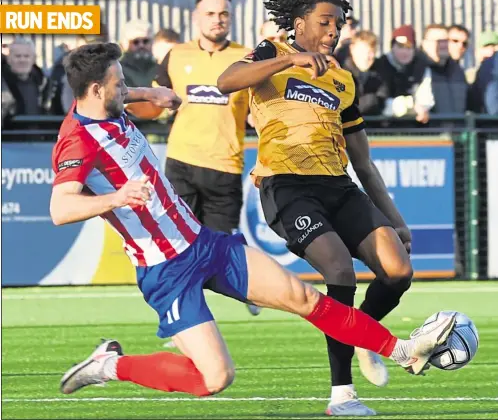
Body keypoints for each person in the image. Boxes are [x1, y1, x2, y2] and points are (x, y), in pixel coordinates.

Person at [53, 42, 455, 402]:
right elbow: (61, 209)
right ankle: (110, 365)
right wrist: (117, 197)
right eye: (120, 84)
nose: (126, 89)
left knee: (305, 298)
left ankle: (402, 350)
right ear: (96, 91)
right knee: (215, 378)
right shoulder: (78, 140)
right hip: (164, 269)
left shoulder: (104, 104)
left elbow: (119, 97)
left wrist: (149, 93)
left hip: (205, 243)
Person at [218, 0, 418, 416]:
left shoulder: (343, 80)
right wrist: (290, 57)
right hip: (285, 185)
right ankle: (342, 395)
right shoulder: (270, 51)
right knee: (339, 269)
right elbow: (225, 81)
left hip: (338, 185)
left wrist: (395, 218)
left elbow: (363, 163)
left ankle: (364, 336)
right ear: (299, 23)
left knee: (399, 271)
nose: (334, 30)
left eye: (339, 23)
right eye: (325, 21)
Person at [155, 0, 258, 315]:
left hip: (225, 166)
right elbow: (155, 101)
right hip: (181, 162)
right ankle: (184, 316)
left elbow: (261, 111)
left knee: (221, 247)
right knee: (178, 245)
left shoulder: (247, 57)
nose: (218, 19)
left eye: (224, 13)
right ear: (196, 18)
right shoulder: (176, 55)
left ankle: (250, 287)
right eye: (211, 13)